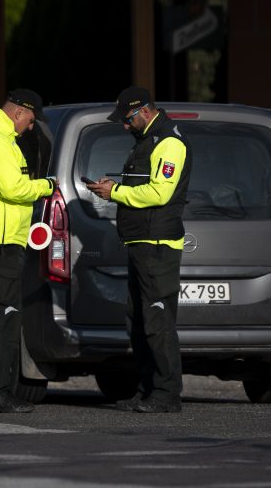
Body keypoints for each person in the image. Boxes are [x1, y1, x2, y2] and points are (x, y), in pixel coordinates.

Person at [86, 86, 191, 413]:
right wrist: (114, 188)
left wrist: (115, 192)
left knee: (158, 320)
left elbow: (159, 193)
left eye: (128, 118)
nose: (124, 125)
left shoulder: (169, 143)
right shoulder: (147, 141)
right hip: (141, 243)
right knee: (140, 319)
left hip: (157, 245)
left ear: (145, 111)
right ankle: (148, 388)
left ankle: (166, 392)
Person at [0, 88, 55, 414]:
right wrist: (47, 186)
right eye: (31, 120)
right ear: (19, 112)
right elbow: (12, 188)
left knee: (5, 321)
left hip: (5, 242)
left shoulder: (1, 138)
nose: (31, 127)